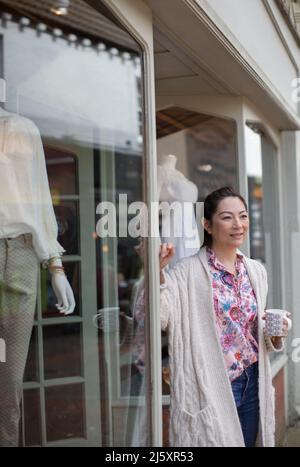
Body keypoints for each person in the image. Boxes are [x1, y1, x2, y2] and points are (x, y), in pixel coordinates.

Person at [159, 186, 291, 447]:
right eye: (227, 217)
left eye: (242, 216)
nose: (238, 224)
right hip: (213, 385)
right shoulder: (186, 273)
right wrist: (157, 271)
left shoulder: (255, 271)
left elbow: (254, 331)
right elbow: (159, 317)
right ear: (207, 225)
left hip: (254, 381)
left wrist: (275, 333)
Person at [0, 78, 75, 447]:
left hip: (20, 256)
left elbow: (40, 197)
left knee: (10, 375)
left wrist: (55, 266)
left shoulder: (23, 129)